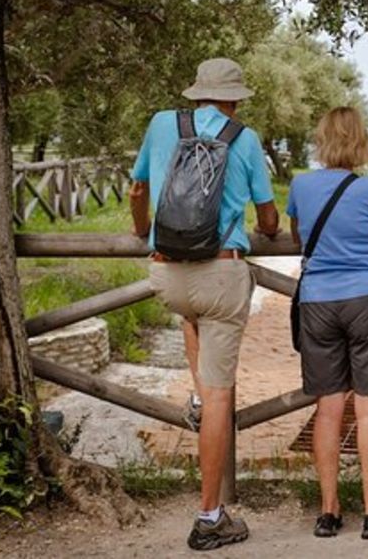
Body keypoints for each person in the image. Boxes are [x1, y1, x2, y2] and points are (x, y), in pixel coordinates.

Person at [129, 57, 279, 551]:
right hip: (222, 271)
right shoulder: (246, 138)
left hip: (167, 273)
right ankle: (210, 515)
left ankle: (194, 397)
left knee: (190, 314)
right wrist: (271, 230)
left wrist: (140, 229)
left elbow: (137, 187)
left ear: (196, 95)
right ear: (233, 98)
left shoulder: (159, 123)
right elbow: (268, 215)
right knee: (221, 395)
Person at [287, 107, 368, 541]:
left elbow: (299, 235)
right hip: (367, 298)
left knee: (328, 408)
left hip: (318, 300)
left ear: (322, 141)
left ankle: (329, 511)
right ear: (361, 142)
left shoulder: (301, 185)